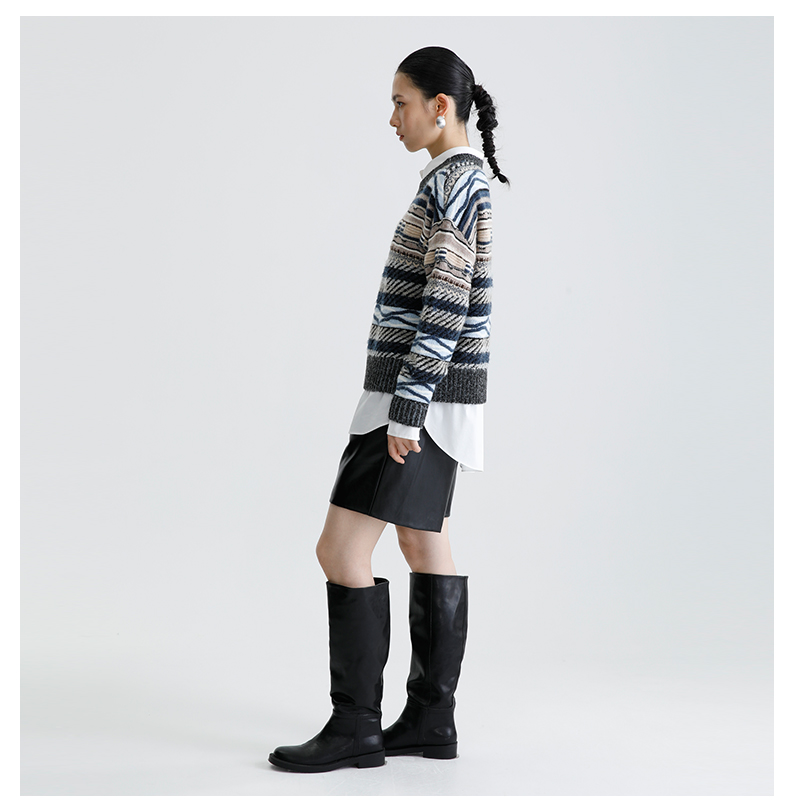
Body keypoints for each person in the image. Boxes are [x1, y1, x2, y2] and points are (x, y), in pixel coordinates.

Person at [268, 45, 509, 774]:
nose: (393, 118)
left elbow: (446, 301)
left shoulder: (455, 183)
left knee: (340, 551)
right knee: (422, 545)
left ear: (441, 106)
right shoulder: (457, 180)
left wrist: (405, 410)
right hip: (434, 402)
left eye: (401, 102)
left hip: (414, 406)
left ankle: (355, 727)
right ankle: (432, 720)